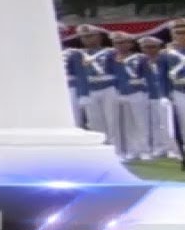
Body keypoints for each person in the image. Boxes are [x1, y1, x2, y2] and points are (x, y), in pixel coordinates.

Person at [155, 19, 185, 173]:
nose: (183, 36)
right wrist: (163, 95)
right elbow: (162, 77)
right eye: (179, 33)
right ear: (173, 35)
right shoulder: (165, 55)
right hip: (181, 92)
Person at [73, 24, 121, 147]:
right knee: (94, 122)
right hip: (90, 90)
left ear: (99, 37)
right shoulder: (78, 54)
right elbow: (80, 75)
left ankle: (116, 148)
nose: (87, 39)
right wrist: (82, 94)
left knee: (113, 120)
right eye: (84, 37)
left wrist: (120, 90)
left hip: (109, 88)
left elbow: (119, 71)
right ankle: (100, 146)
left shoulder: (110, 52)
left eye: (90, 36)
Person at [111, 32, 155, 162]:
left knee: (141, 123)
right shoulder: (112, 58)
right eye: (117, 43)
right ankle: (131, 150)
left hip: (138, 91)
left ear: (130, 43)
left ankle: (145, 150)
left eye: (123, 42)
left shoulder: (140, 58)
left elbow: (149, 76)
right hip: (120, 93)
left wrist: (150, 94)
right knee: (127, 124)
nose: (120, 45)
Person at [139, 36, 178, 159]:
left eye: (152, 47)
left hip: (166, 95)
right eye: (146, 47)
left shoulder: (165, 59)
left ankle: (173, 148)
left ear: (158, 47)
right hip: (150, 95)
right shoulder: (142, 61)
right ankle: (158, 147)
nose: (149, 50)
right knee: (154, 124)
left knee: (169, 124)